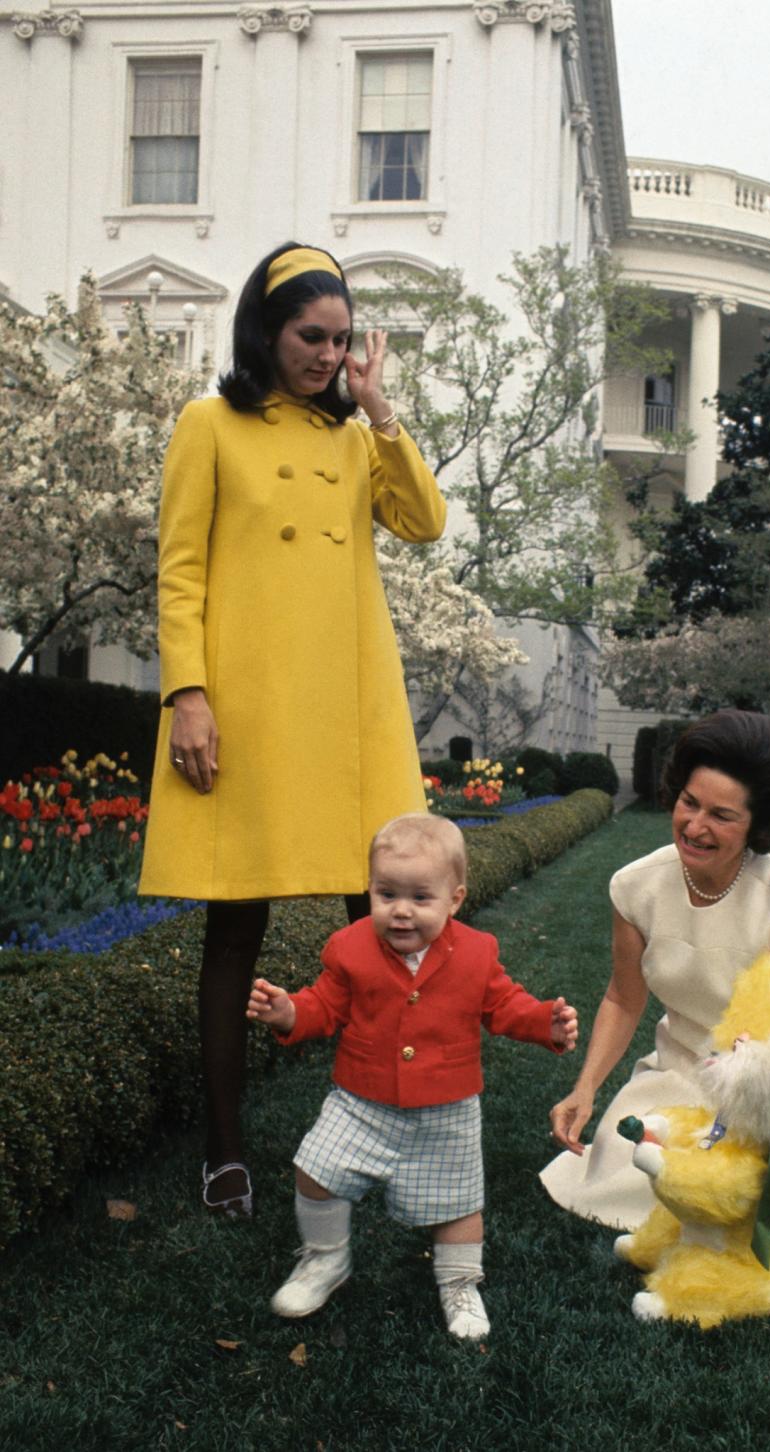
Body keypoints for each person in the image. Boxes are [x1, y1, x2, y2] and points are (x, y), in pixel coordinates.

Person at [139, 242, 447, 1219]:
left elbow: (425, 522)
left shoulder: (358, 437)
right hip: (250, 708)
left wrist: (382, 409)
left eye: (343, 340)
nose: (328, 355)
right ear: (266, 333)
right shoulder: (210, 424)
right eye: (312, 337)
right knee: (236, 926)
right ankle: (224, 1150)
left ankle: (379, 1136)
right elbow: (181, 568)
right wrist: (187, 694)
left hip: (352, 708)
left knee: (386, 926)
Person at [246, 813, 579, 1339]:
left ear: (455, 899)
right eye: (386, 894)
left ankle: (460, 1283)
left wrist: (546, 1024)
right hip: (360, 1099)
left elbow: (505, 1006)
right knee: (315, 1167)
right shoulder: (349, 947)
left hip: (446, 1109)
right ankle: (325, 1258)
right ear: (371, 892)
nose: (401, 911)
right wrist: (289, 1012)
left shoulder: (476, 952)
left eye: (420, 898)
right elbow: (324, 1005)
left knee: (458, 1205)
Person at [540, 709, 770, 1231]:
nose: (695, 826)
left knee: (725, 1192)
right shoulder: (635, 887)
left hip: (759, 1084)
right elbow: (623, 997)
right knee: (623, 1159)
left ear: (759, 825)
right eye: (690, 802)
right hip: (680, 1066)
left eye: (722, 816)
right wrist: (586, 1088)